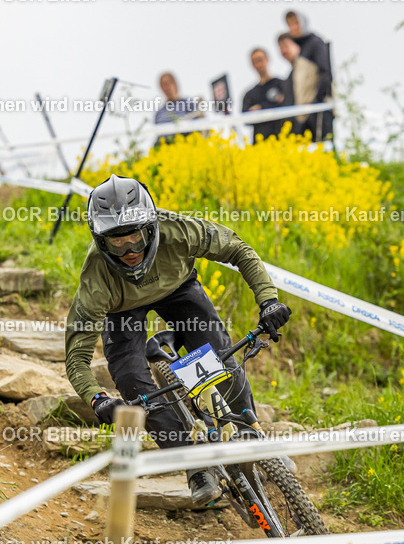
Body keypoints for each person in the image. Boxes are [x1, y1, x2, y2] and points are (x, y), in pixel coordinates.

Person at [64, 175, 291, 505]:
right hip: (121, 310)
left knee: (221, 362)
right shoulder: (95, 279)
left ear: (151, 227)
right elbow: (76, 358)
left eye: (136, 237)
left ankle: (252, 434)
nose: (130, 251)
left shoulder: (178, 230)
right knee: (134, 386)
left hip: (179, 290)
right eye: (117, 242)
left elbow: (238, 249)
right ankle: (194, 465)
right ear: (101, 241)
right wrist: (96, 398)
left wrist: (268, 301)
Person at [284, 11, 334, 141]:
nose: (293, 28)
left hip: (317, 108)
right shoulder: (300, 48)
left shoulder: (315, 43)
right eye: (290, 25)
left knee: (322, 143)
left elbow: (325, 73)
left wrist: (319, 100)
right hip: (304, 110)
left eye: (296, 23)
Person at [240, 47, 290, 142]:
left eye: (260, 59)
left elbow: (288, 103)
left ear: (267, 59)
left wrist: (261, 108)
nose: (258, 64)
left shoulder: (282, 85)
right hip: (260, 144)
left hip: (283, 139)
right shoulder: (249, 94)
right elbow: (245, 118)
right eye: (255, 61)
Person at [277, 33, 320, 138]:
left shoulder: (310, 66)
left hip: (312, 123)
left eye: (286, 46)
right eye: (281, 48)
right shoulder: (290, 77)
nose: (283, 51)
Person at [153, 72, 203, 145]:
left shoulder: (189, 103)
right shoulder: (159, 114)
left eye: (169, 83)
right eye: (164, 84)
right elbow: (158, 136)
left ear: (175, 84)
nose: (167, 87)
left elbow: (200, 125)